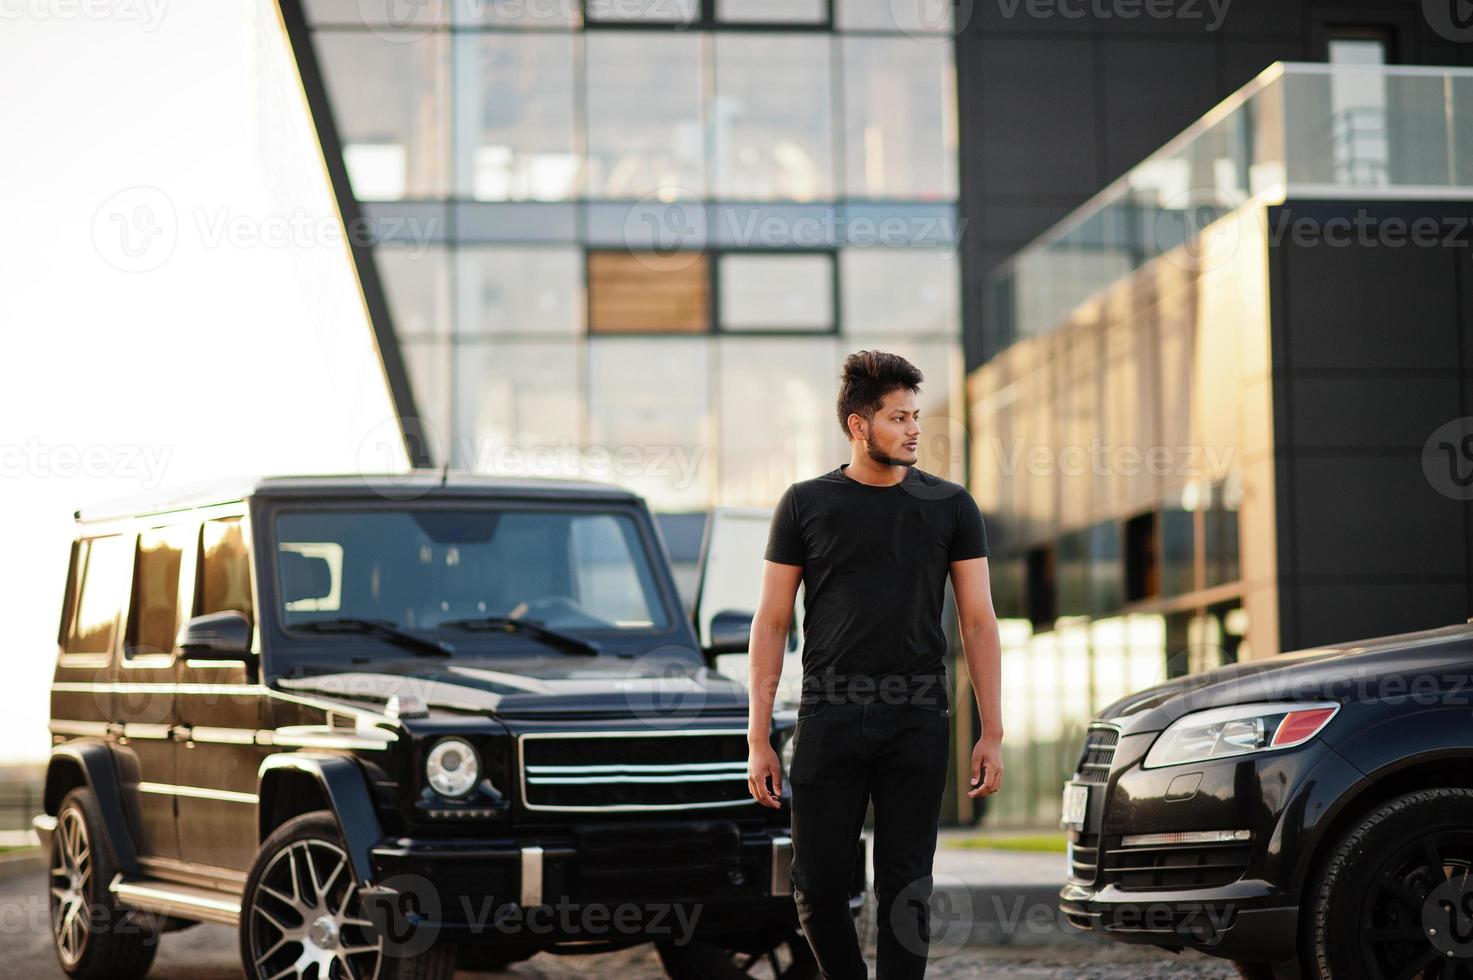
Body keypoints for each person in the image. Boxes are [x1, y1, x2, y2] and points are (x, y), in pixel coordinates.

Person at [746, 349, 1004, 980]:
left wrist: (991, 731)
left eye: (916, 416)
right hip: (829, 713)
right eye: (898, 418)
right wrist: (757, 736)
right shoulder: (805, 504)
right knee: (818, 887)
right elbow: (772, 621)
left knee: (906, 888)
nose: (915, 429)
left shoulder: (951, 506)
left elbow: (977, 620)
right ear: (859, 426)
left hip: (917, 716)